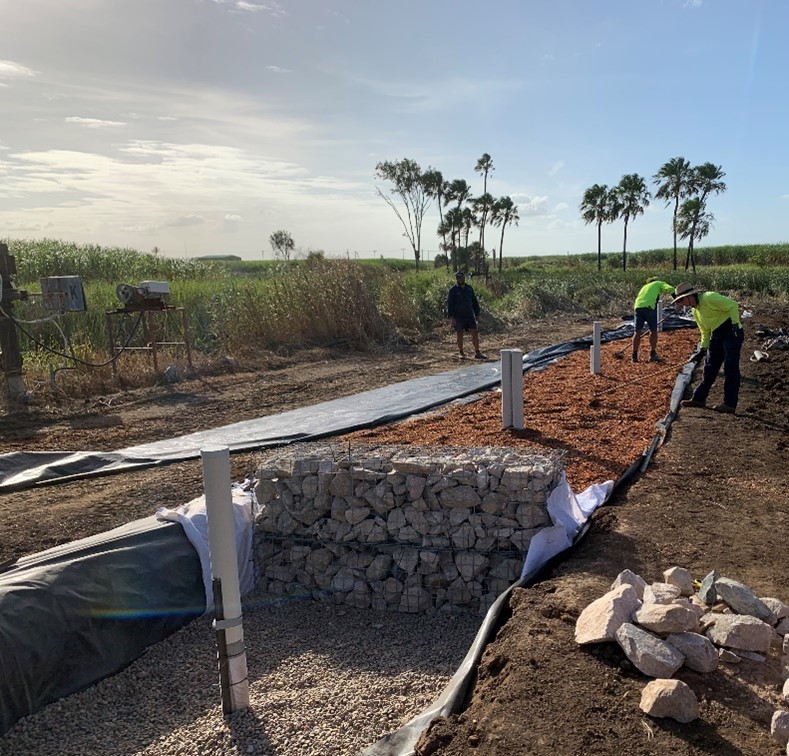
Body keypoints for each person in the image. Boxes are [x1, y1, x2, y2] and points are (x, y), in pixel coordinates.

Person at [672, 282, 744, 414]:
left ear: (690, 296)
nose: (682, 303)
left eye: (682, 300)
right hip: (717, 334)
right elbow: (704, 331)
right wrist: (703, 349)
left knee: (730, 367)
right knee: (709, 366)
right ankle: (699, 398)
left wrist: (734, 324)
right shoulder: (695, 311)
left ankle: (729, 404)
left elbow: (732, 305)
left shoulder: (709, 297)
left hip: (731, 332)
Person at [631, 277, 675, 363]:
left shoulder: (644, 287)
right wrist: (678, 301)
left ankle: (634, 356)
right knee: (653, 331)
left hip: (638, 307)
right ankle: (652, 354)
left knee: (637, 332)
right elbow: (671, 289)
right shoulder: (658, 283)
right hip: (649, 308)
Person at [446, 271, 485, 359]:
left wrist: (477, 313)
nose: (459, 279)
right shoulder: (453, 290)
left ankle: (477, 352)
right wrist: (452, 318)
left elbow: (474, 302)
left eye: (460, 277)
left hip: (469, 315)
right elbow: (450, 304)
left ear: (464, 278)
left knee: (474, 333)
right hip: (459, 316)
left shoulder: (469, 289)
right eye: (457, 278)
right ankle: (461, 352)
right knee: (460, 334)